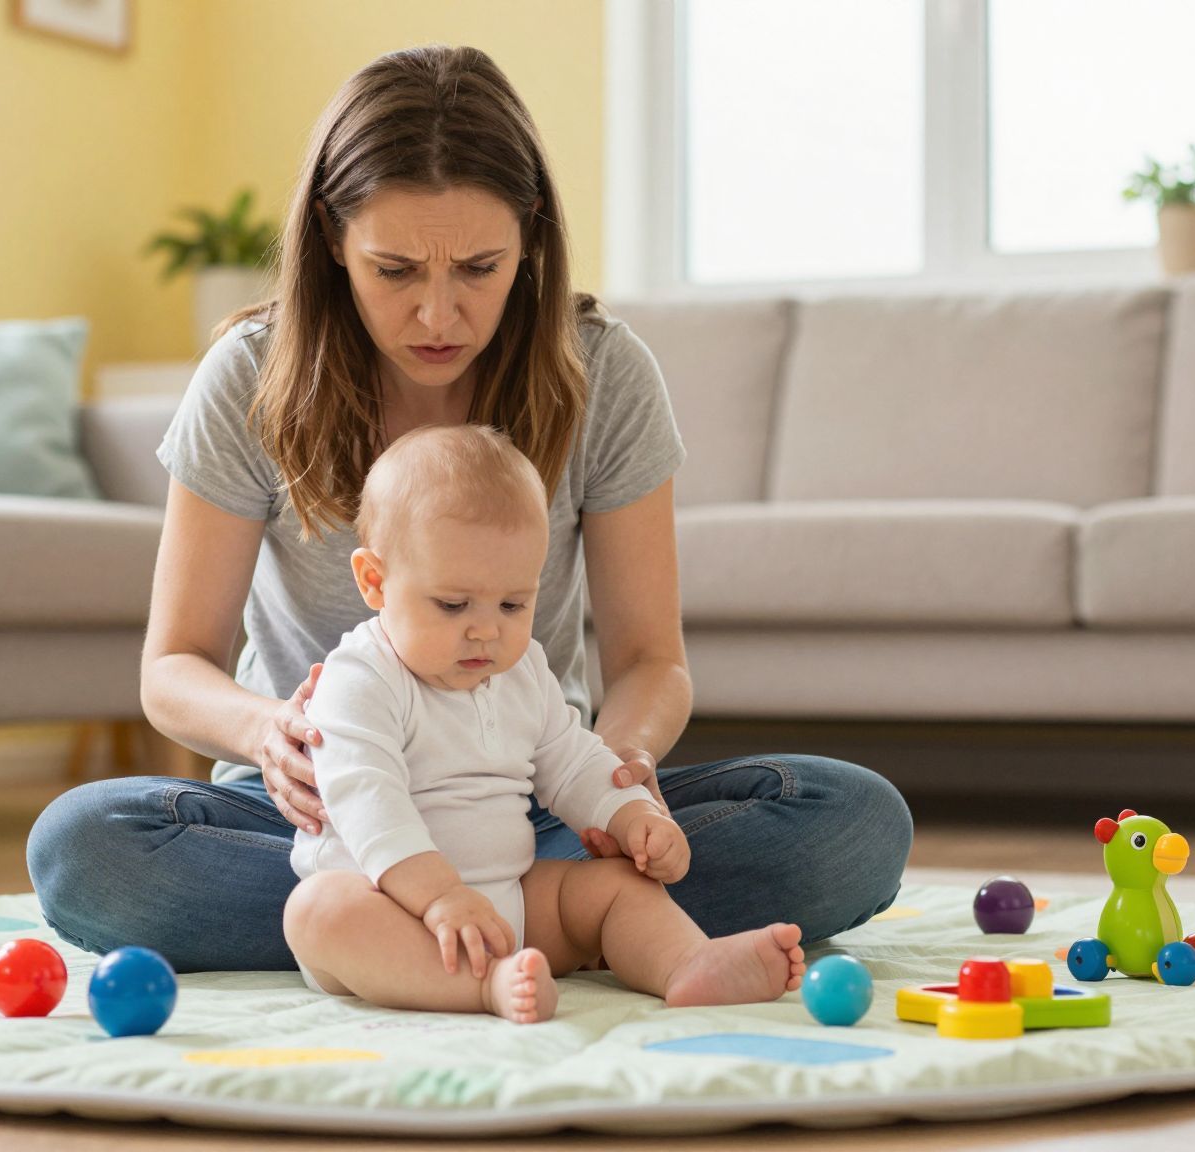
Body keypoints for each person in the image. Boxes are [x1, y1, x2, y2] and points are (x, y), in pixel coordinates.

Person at [25, 44, 911, 973]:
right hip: (314, 822)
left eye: (480, 269)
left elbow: (652, 662)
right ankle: (544, 926)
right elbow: (173, 666)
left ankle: (404, 939)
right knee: (86, 847)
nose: (439, 315)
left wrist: (618, 776)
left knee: (851, 823)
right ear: (331, 235)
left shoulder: (603, 372)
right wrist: (264, 734)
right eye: (395, 270)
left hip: (528, 804)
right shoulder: (249, 376)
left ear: (530, 234)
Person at [284, 425, 805, 1021]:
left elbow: (572, 759)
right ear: (375, 581)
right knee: (317, 911)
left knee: (616, 888)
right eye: (453, 605)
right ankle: (483, 987)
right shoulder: (360, 678)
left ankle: (686, 963)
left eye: (513, 604)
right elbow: (368, 805)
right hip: (391, 911)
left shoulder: (521, 668)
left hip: (513, 903)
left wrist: (633, 816)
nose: (487, 630)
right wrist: (440, 898)